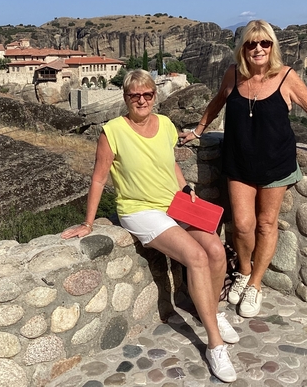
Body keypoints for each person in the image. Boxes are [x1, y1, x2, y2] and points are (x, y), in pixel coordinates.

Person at [179, 20, 307, 318]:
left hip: (276, 164)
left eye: (264, 43)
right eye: (251, 44)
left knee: (265, 224)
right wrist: (198, 130)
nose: (258, 49)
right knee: (242, 225)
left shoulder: (286, 77)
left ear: (272, 46)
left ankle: (255, 285)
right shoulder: (232, 74)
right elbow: (217, 102)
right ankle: (244, 272)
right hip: (239, 162)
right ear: (242, 48)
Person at [61, 69, 238, 383]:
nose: (141, 100)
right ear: (126, 98)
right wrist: (89, 222)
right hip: (140, 210)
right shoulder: (112, 131)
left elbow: (170, 164)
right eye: (134, 96)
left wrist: (186, 191)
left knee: (215, 250)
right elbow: (99, 177)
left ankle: (212, 311)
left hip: (175, 202)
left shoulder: (166, 124)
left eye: (147, 94)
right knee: (196, 256)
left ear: (155, 95)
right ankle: (214, 344)